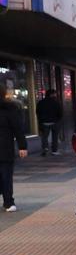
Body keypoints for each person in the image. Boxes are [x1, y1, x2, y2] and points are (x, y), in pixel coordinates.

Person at [0, 84, 28, 212]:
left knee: (5, 175)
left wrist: (22, 146)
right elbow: (18, 128)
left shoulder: (9, 109)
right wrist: (22, 146)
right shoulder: (10, 109)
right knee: (6, 175)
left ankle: (8, 201)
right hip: (5, 148)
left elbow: (17, 128)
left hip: (4, 148)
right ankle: (8, 202)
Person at [36, 88, 62, 156]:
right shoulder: (56, 103)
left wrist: (40, 120)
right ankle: (54, 150)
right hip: (54, 122)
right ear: (51, 94)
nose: (55, 95)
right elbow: (60, 113)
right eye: (54, 94)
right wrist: (58, 119)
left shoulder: (41, 102)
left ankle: (45, 148)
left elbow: (38, 112)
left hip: (44, 122)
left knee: (44, 137)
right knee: (55, 137)